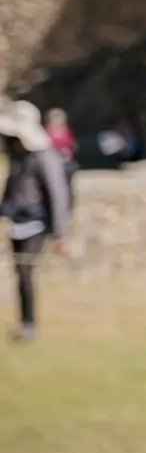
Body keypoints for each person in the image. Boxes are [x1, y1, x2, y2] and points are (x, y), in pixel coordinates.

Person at [0, 100, 72, 343]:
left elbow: (57, 194)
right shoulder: (19, 157)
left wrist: (59, 234)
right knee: (19, 273)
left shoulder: (44, 157)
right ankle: (25, 323)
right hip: (18, 222)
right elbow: (13, 190)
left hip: (37, 223)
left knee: (25, 271)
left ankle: (29, 325)